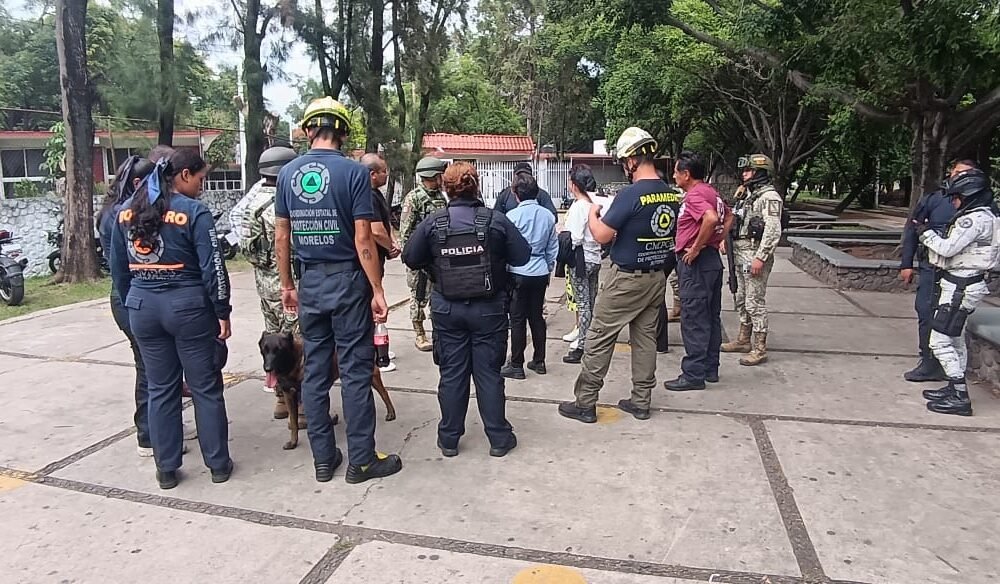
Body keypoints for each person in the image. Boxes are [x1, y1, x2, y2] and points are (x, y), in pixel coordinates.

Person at [274, 96, 401, 484]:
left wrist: (287, 285)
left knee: (314, 370)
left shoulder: (287, 175)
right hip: (347, 279)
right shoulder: (354, 174)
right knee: (355, 370)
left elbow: (283, 235)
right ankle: (361, 461)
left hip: (310, 280)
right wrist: (377, 288)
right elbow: (364, 236)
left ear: (309, 130)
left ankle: (323, 459)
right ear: (343, 133)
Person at [109, 149, 233, 490]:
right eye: (201, 178)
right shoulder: (194, 212)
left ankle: (166, 469)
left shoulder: (125, 213)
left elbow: (118, 269)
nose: (202, 186)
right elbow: (213, 269)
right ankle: (218, 465)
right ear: (183, 176)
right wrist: (222, 311)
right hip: (188, 308)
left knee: (161, 388)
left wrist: (135, 298)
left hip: (142, 307)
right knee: (205, 387)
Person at [402, 162, 530, 456]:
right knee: (488, 374)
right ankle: (498, 439)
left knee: (452, 374)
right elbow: (523, 255)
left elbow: (411, 257)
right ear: (477, 186)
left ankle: (448, 439)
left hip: (448, 311)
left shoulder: (435, 222)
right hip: (489, 311)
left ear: (446, 188)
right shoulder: (495, 220)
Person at [558, 127, 677, 423]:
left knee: (599, 336)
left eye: (624, 161)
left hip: (626, 280)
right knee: (645, 339)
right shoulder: (671, 195)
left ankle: (585, 402)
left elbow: (600, 235)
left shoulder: (631, 194)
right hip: (655, 277)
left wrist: (592, 214)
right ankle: (641, 401)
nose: (624, 166)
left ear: (633, 160)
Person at [916, 168, 1000, 416]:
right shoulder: (989, 216)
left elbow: (948, 248)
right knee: (955, 337)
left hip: (960, 286)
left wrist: (925, 233)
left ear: (969, 195)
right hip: (965, 284)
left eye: (956, 197)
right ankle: (954, 387)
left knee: (939, 340)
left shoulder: (973, 220)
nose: (953, 202)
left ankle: (960, 395)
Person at [98, 155, 160, 457]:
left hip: (129, 297)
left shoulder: (116, 210)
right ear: (138, 184)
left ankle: (157, 427)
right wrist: (133, 300)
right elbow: (120, 268)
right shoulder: (122, 215)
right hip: (129, 298)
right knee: (148, 368)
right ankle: (148, 434)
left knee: (151, 366)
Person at [239, 146, 303, 419]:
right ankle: (298, 409)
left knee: (271, 344)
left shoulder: (250, 204)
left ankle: (280, 400)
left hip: (264, 284)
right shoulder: (283, 202)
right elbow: (291, 244)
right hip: (288, 285)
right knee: (296, 346)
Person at [664, 150, 732, 392]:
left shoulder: (694, 196)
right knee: (711, 317)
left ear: (686, 173)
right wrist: (717, 239)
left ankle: (693, 374)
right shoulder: (711, 192)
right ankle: (710, 368)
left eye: (675, 171)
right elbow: (729, 215)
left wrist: (696, 247)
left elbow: (711, 218)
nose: (673, 176)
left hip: (698, 264)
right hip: (712, 261)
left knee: (694, 319)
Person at [899, 162, 973, 382]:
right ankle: (928, 361)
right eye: (956, 172)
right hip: (931, 268)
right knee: (925, 312)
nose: (958, 177)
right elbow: (914, 229)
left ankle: (951, 368)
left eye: (965, 174)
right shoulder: (933, 199)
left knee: (952, 318)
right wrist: (906, 263)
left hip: (962, 272)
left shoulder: (979, 206)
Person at [719, 154, 783, 366]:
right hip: (740, 251)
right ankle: (743, 339)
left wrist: (761, 257)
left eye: (748, 171)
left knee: (754, 302)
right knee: (741, 299)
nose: (744, 174)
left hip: (754, 254)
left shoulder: (769, 197)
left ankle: (759, 347)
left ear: (760, 173)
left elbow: (773, 231)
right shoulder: (748, 195)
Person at [501, 173, 558, 379]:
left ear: (516, 194)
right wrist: (548, 267)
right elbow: (553, 247)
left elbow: (506, 248)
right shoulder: (548, 216)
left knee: (517, 319)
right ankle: (539, 360)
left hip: (518, 271)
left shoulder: (511, 217)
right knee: (536, 317)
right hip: (540, 271)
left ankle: (516, 364)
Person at [399, 156, 449, 352]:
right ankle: (419, 333)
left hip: (439, 257)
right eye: (440, 175)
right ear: (433, 175)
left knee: (438, 295)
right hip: (421, 259)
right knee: (419, 295)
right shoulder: (414, 198)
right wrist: (413, 258)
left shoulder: (441, 197)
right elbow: (405, 232)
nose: (442, 178)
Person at [361, 153, 401, 373]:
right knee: (371, 305)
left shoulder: (376, 194)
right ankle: (375, 355)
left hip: (377, 259)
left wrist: (392, 239)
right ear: (372, 174)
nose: (387, 174)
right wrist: (391, 247)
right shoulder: (366, 195)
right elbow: (375, 231)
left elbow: (384, 225)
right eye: (384, 171)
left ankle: (377, 347)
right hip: (370, 261)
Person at [562, 164, 602, 364]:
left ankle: (582, 345)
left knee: (583, 305)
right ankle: (592, 341)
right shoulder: (593, 204)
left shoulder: (578, 207)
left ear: (575, 185)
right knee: (592, 303)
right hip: (594, 258)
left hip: (580, 260)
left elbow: (576, 238)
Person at [493, 162, 559, 217]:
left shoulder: (541, 194)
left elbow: (553, 216)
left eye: (526, 175)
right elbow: (496, 215)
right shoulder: (505, 194)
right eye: (519, 176)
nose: (523, 178)